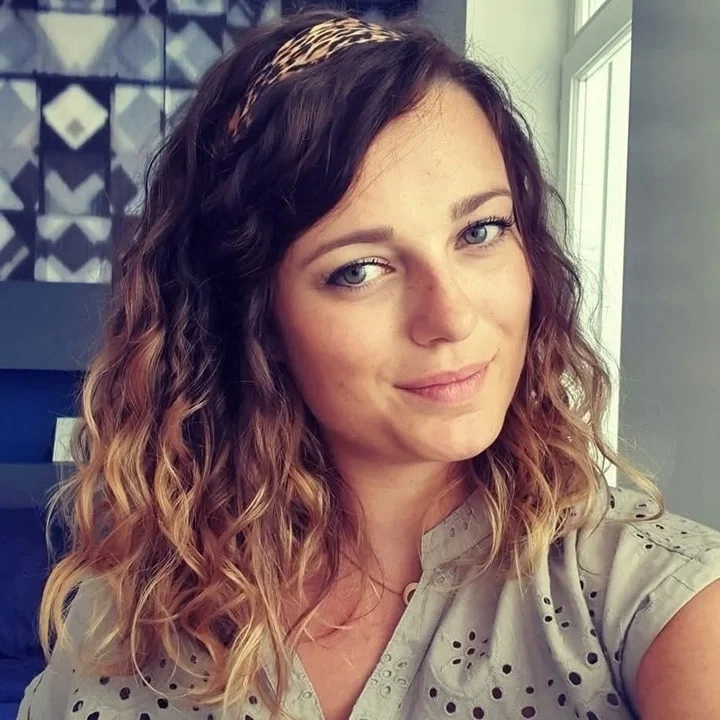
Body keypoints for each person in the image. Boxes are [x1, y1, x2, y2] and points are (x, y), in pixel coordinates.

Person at [17, 9, 720, 720]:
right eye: (359, 269)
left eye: (480, 230)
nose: (451, 317)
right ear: (251, 316)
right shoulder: (121, 628)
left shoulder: (650, 599)